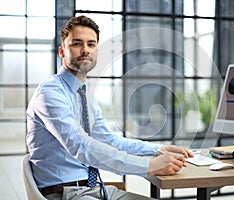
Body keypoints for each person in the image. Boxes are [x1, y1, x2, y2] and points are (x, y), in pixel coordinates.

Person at [26, 15, 193, 200]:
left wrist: (159, 150)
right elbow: (80, 146)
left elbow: (111, 141)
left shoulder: (84, 95)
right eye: (76, 44)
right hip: (65, 193)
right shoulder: (50, 94)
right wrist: (149, 166)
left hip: (96, 189)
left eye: (91, 44)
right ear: (62, 51)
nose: (85, 50)